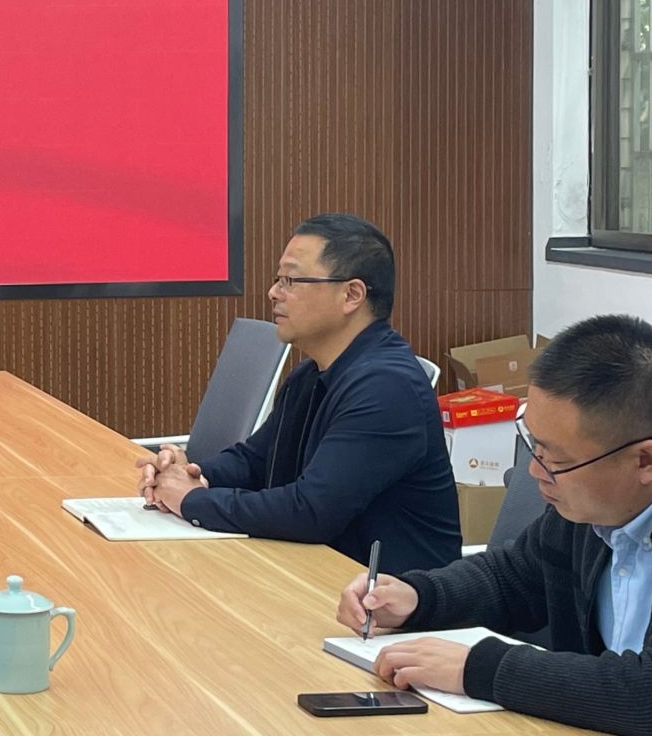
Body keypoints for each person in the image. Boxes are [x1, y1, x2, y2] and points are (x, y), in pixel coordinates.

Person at [335, 314, 652, 736]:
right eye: (533, 443)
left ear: (646, 460)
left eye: (556, 459)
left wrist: (480, 669)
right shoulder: (605, 500)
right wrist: (419, 598)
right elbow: (515, 577)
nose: (535, 470)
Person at [139, 213, 461, 572]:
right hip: (313, 572)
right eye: (278, 280)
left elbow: (311, 511)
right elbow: (255, 461)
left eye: (290, 280)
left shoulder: (387, 388)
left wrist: (192, 501)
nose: (274, 293)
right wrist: (190, 473)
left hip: (381, 595)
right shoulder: (311, 374)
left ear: (351, 295)